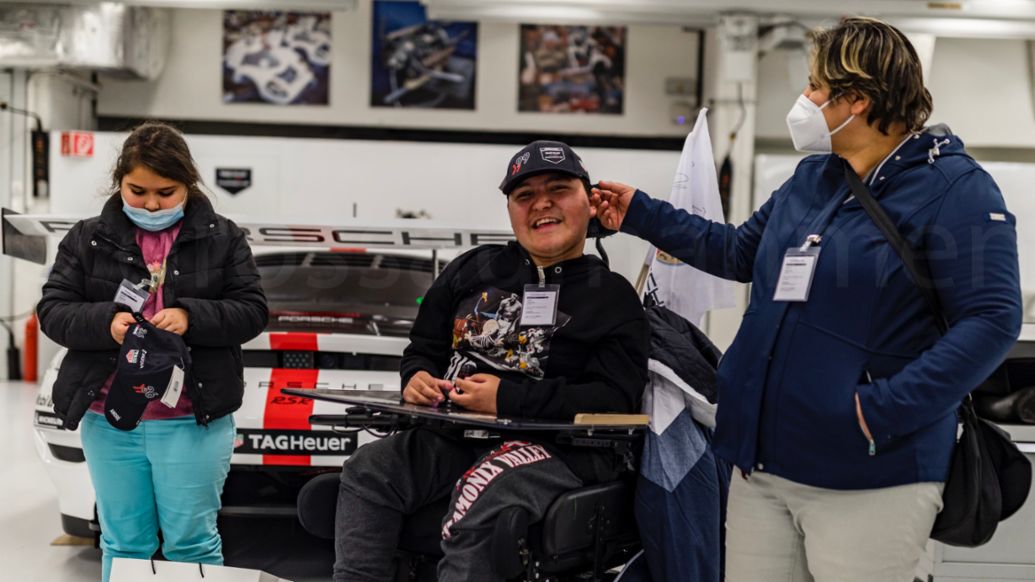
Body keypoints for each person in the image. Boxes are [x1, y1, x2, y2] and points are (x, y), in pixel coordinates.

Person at [591, 16, 1022, 582]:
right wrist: (641, 214)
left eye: (816, 86)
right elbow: (737, 251)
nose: (805, 98)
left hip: (872, 471)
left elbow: (992, 320)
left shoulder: (956, 191)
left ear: (858, 100)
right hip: (762, 464)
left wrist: (882, 410)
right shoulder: (813, 179)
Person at [333, 140, 649, 582]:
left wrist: (509, 399)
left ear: (589, 202)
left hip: (557, 451)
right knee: (368, 470)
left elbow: (615, 398)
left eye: (558, 189)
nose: (541, 203)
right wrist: (417, 377)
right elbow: (422, 348)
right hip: (453, 437)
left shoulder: (613, 298)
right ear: (511, 209)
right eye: (524, 196)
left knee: (483, 496)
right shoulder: (471, 269)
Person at [36, 122, 269, 582]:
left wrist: (190, 316)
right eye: (137, 191)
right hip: (109, 420)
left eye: (166, 192)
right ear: (119, 181)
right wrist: (106, 322)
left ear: (188, 184)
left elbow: (252, 311)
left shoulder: (224, 238)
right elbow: (53, 311)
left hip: (191, 420)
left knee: (192, 542)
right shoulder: (87, 238)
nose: (151, 205)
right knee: (123, 544)